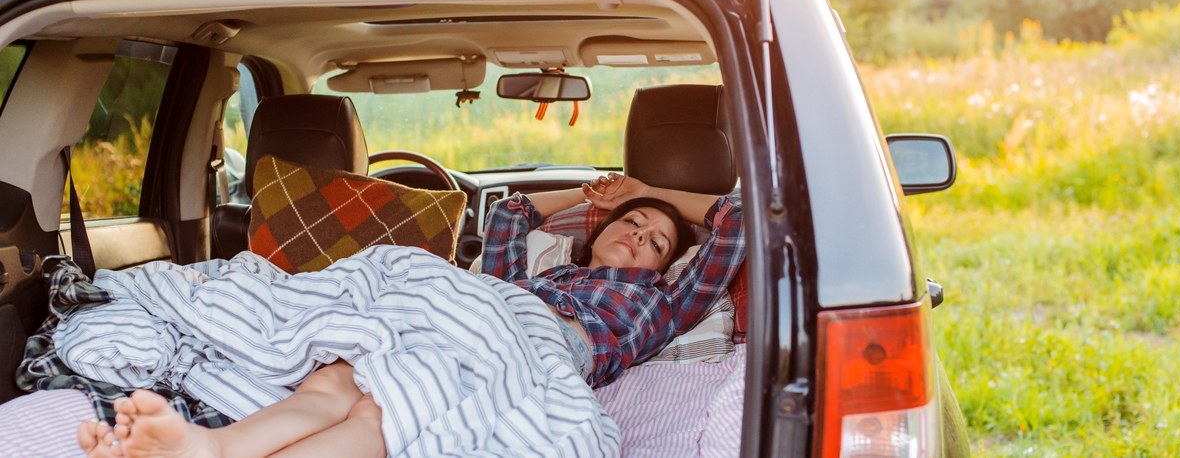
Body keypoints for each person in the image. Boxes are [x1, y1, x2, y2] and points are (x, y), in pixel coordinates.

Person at [72, 172, 744, 458]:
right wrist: (602, 191)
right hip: (465, 306)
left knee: (383, 407)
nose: (640, 237)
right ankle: (214, 446)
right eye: (631, 224)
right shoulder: (540, 270)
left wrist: (651, 191)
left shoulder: (663, 304)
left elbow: (735, 220)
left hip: (539, 344)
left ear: (664, 269)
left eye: (657, 243)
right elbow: (511, 214)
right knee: (334, 379)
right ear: (594, 232)